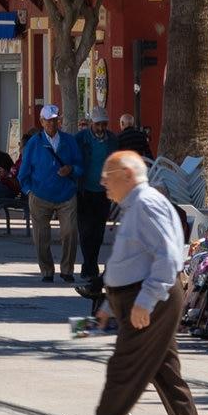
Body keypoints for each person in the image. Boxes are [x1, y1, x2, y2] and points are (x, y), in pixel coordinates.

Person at [46, 151, 205, 415]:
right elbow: (128, 260)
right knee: (166, 375)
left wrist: (146, 302)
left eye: (109, 175)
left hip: (150, 302)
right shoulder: (134, 206)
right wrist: (107, 307)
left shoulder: (147, 204)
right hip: (138, 300)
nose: (103, 182)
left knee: (123, 372)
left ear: (129, 175)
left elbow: (168, 256)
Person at [19, 105, 82, 284]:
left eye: (55, 119)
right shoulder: (34, 142)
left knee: (70, 232)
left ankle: (67, 270)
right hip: (39, 195)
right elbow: (23, 171)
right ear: (41, 121)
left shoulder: (69, 141)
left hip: (66, 195)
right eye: (48, 120)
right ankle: (47, 271)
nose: (52, 123)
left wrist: (71, 169)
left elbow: (80, 166)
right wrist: (28, 190)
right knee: (41, 236)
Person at [75, 111, 116, 289]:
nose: (101, 128)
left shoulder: (112, 140)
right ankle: (89, 266)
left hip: (103, 191)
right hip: (84, 190)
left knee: (98, 232)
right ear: (92, 123)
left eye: (104, 124)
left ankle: (91, 265)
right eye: (98, 124)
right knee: (85, 231)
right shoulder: (81, 138)